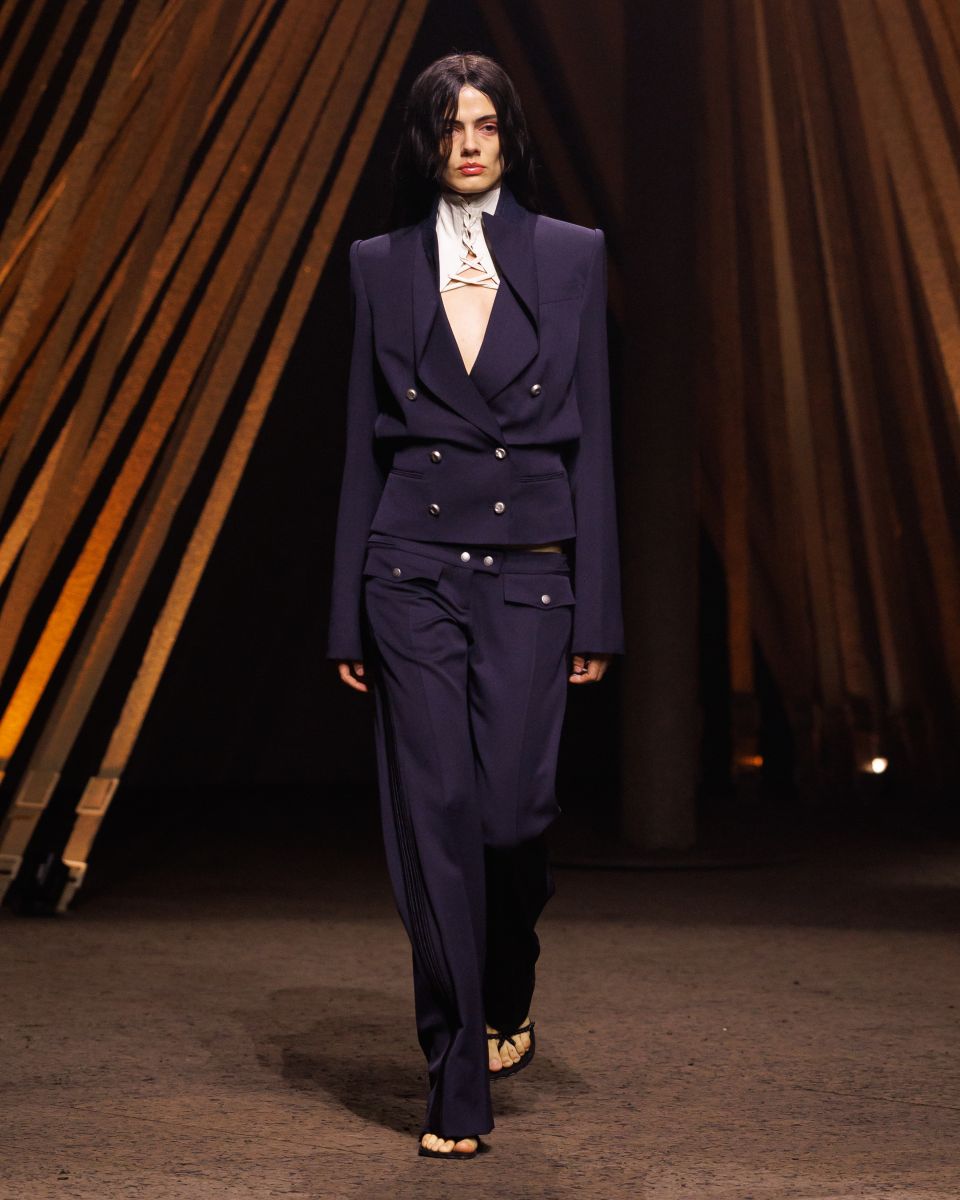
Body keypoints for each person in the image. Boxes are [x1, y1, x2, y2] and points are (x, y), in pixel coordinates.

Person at [326, 51, 625, 1160]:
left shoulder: (572, 254)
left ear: (509, 137)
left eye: (486, 124)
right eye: (451, 126)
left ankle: (507, 979)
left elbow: (595, 440)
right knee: (439, 817)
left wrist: (598, 612)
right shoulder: (377, 266)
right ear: (426, 141)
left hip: (531, 572)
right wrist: (344, 615)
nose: (469, 143)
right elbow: (360, 446)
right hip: (407, 570)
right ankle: (453, 1078)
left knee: (509, 817)